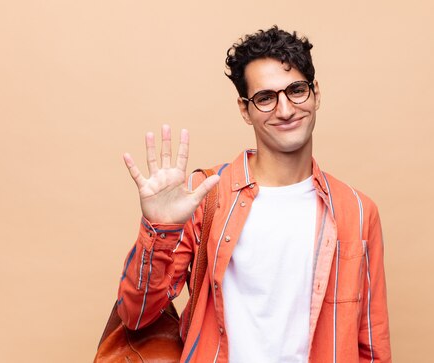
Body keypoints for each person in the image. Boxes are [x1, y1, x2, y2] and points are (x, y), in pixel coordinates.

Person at [117, 25, 391, 363]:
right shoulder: (206, 197)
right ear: (245, 109)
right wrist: (159, 229)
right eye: (265, 98)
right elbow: (136, 315)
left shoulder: (358, 211)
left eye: (296, 90)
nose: (286, 110)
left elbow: (372, 346)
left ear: (316, 93)